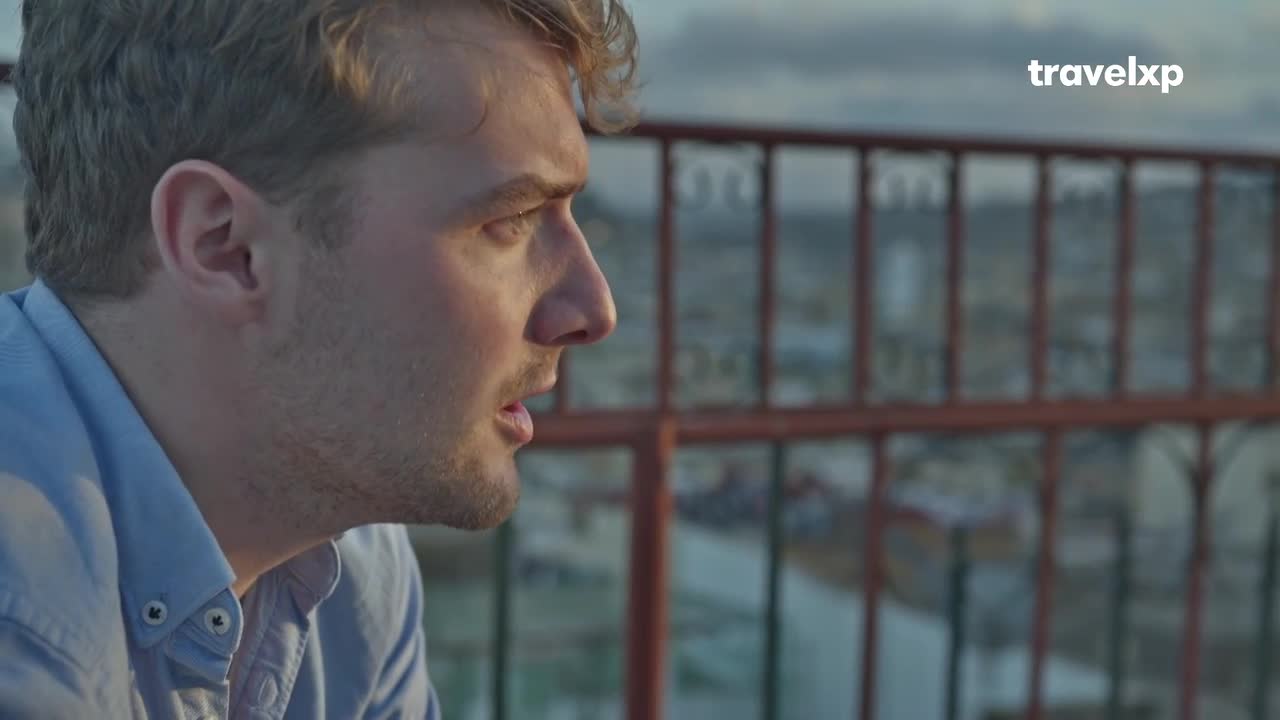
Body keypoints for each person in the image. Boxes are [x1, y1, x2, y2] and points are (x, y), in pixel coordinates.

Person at [0, 0, 638, 716]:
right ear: (225, 247)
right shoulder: (24, 627)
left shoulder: (343, 559)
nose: (594, 309)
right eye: (510, 222)